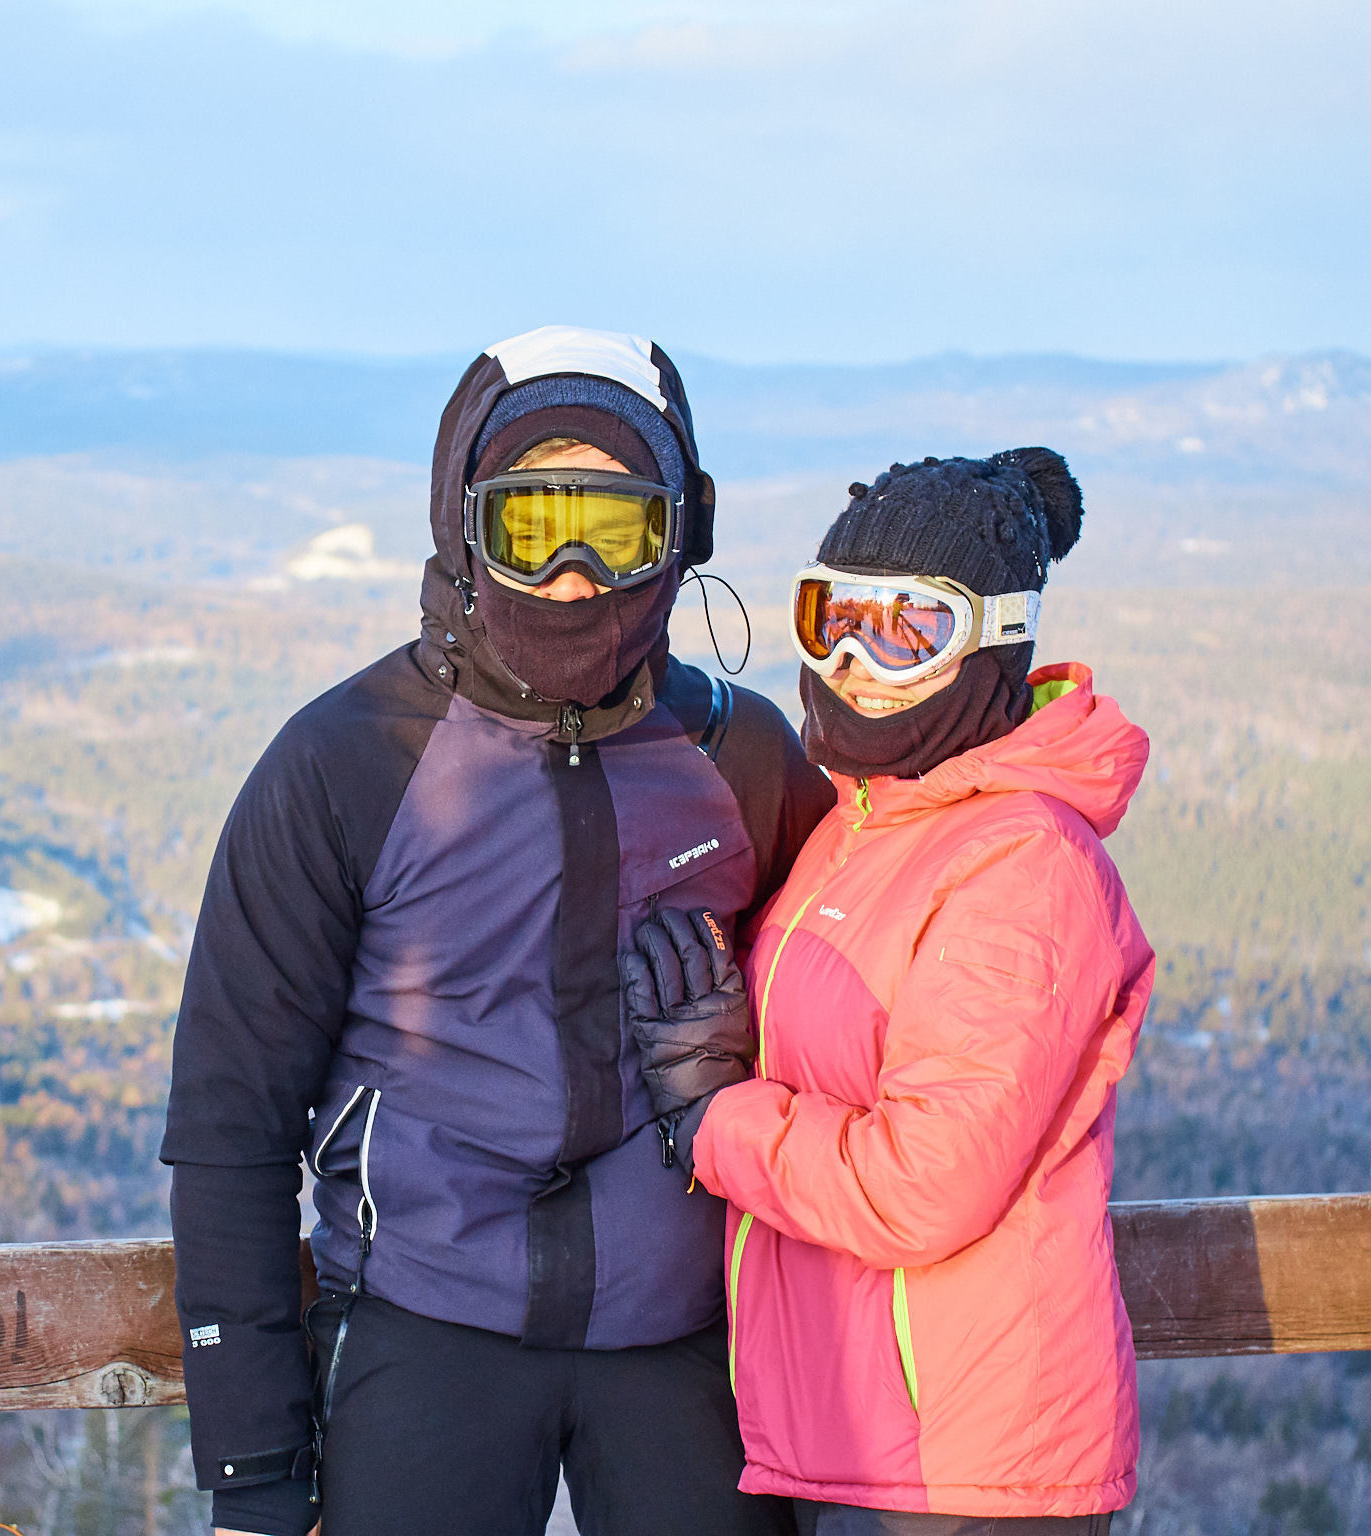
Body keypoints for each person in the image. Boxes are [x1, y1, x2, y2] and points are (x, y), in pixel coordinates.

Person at [160, 326, 834, 1536]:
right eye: (529, 526)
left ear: (681, 535)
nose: (572, 576)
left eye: (615, 528)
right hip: (427, 1327)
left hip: (686, 1334)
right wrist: (255, 1473)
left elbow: (857, 1046)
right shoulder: (352, 760)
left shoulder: (739, 758)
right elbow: (229, 1123)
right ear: (460, 528)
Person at [625, 450, 1155, 1534]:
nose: (859, 661)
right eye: (831, 619)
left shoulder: (1018, 865)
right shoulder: (863, 826)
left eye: (912, 630)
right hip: (862, 1447)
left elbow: (923, 1185)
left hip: (962, 1474)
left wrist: (712, 1117)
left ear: (996, 643)